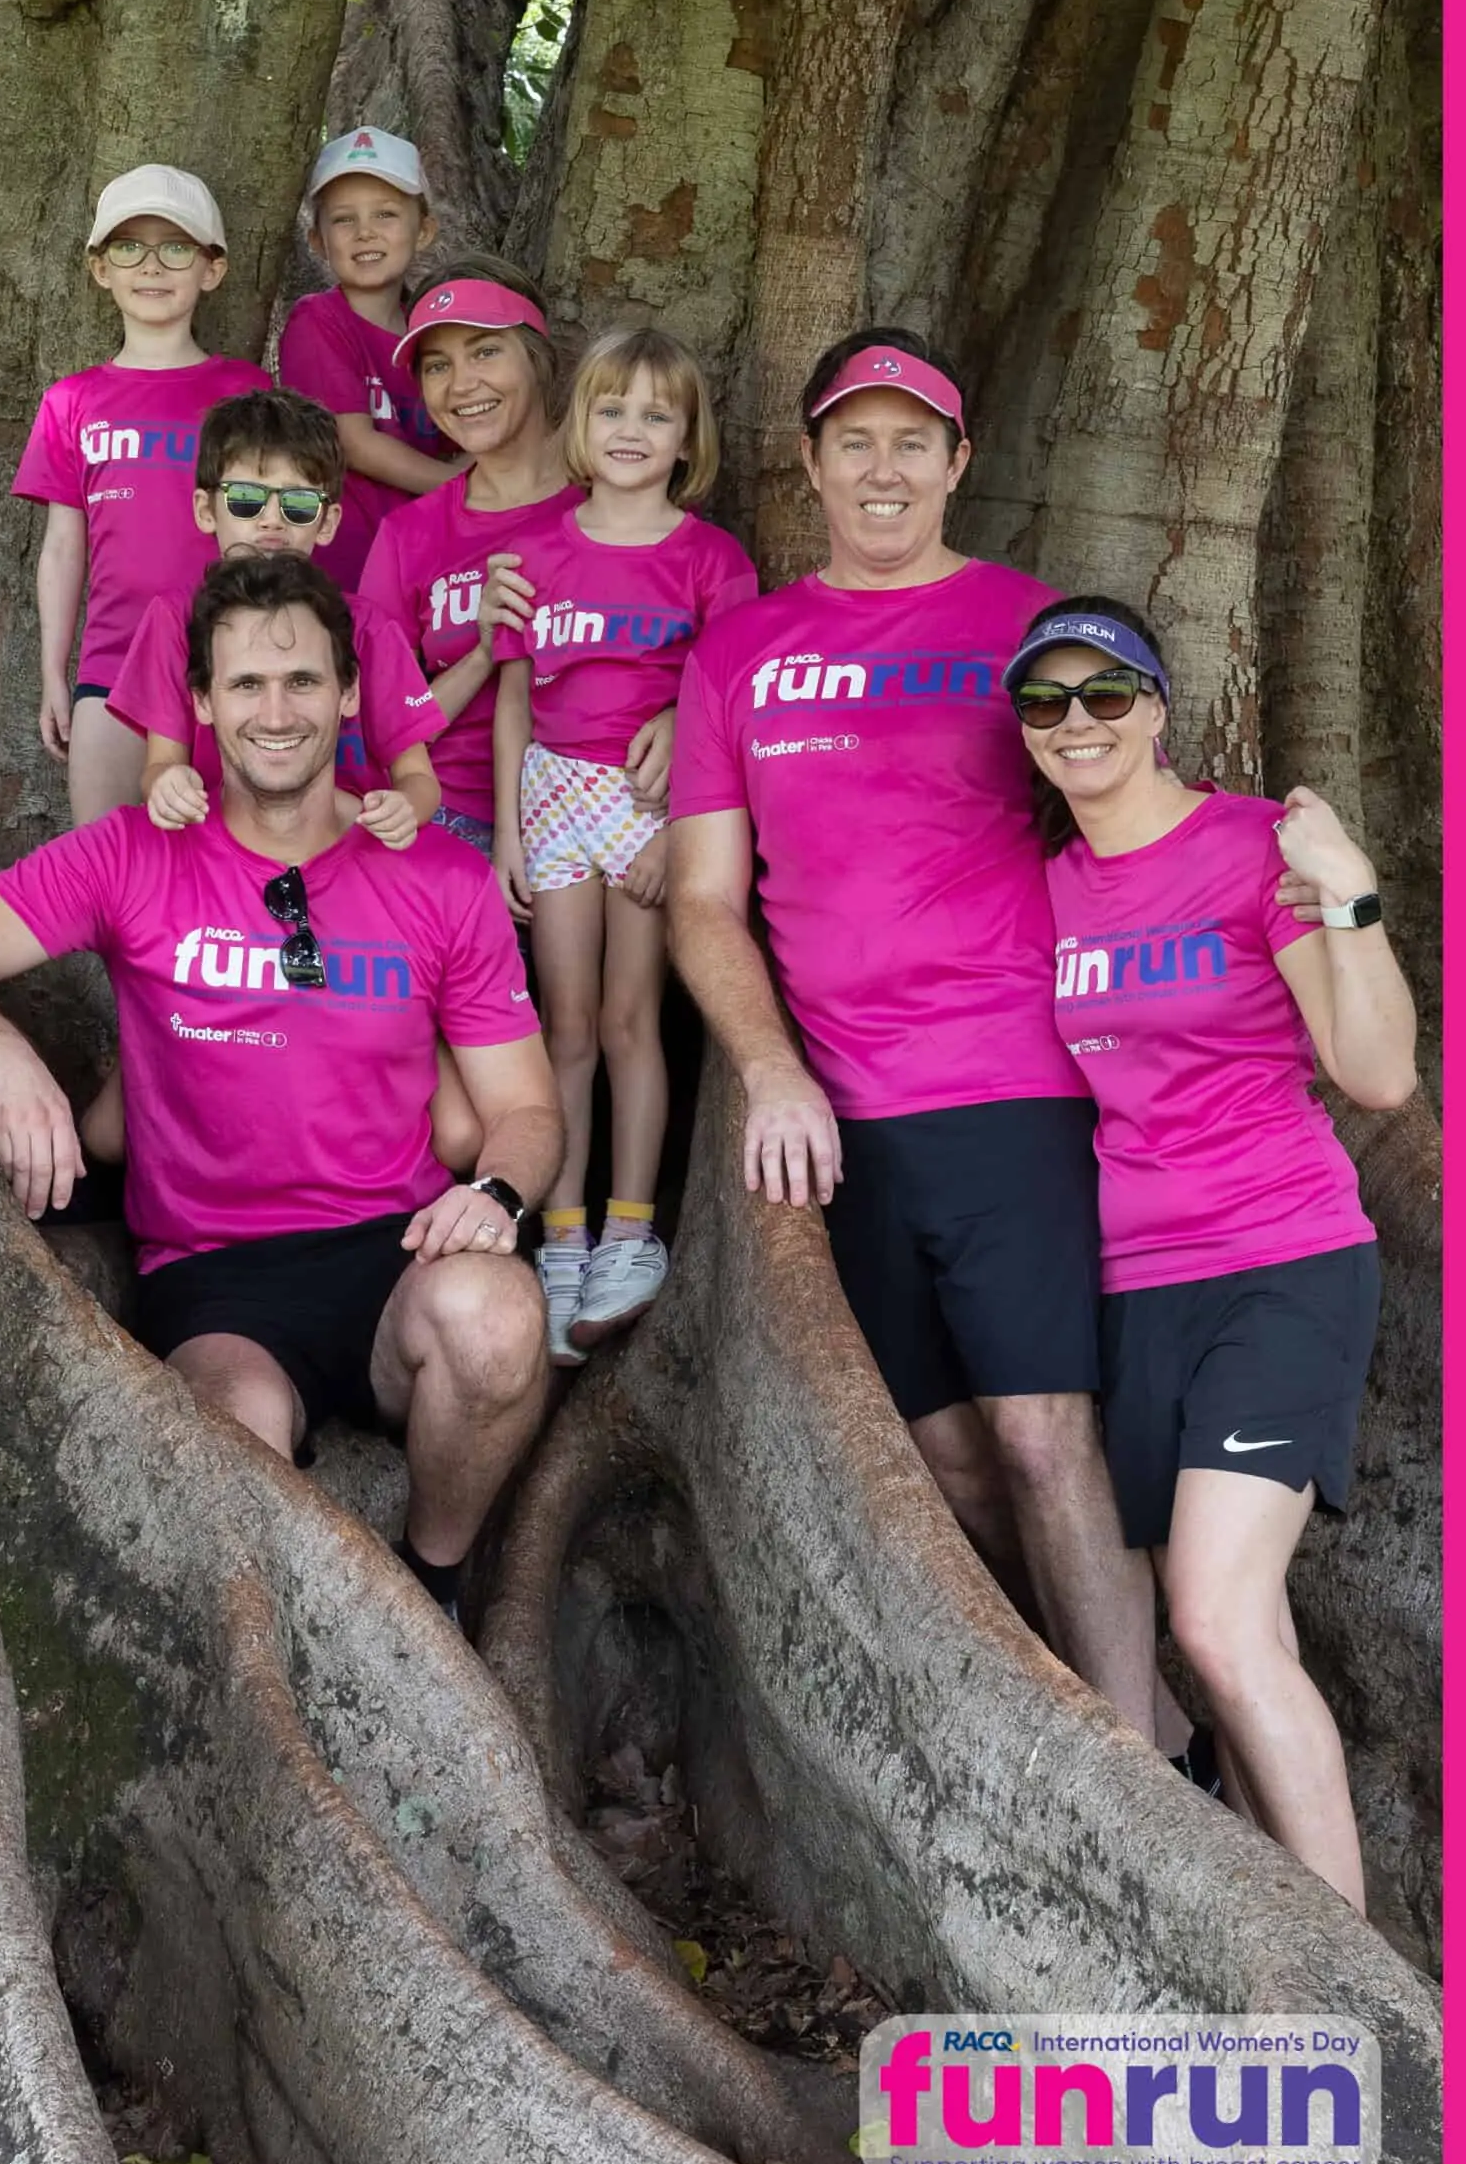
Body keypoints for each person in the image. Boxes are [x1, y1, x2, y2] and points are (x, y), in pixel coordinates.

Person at [0, 552, 559, 1622]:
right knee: (223, 1444)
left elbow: (524, 1108)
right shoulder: (134, 854)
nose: (274, 711)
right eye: (244, 684)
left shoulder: (439, 876)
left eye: (300, 682)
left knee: (501, 1318)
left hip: (398, 1249)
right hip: (217, 1273)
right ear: (198, 703)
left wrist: (499, 1195)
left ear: (347, 695)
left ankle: (436, 1588)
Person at [665, 327, 1157, 1736]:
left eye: (914, 441)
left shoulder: (1029, 629)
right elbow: (704, 901)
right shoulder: (740, 653)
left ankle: (1144, 1776)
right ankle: (1082, 1718)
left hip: (1015, 1088)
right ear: (810, 463)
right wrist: (768, 1072)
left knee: (1043, 1435)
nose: (884, 469)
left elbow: (1129, 821)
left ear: (959, 464)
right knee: (941, 1458)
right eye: (855, 440)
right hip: (842, 1120)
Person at [1011, 596, 1415, 1907]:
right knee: (1249, 1637)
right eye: (1047, 702)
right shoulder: (1048, 889)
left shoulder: (1254, 850)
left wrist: (1351, 899)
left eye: (1107, 695)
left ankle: (1348, 1995)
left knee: (1216, 1620)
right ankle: (1284, 1929)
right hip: (1140, 1292)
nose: (1080, 725)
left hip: (1281, 1263)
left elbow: (1377, 1071)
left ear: (1160, 707)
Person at [485, 327, 757, 1361]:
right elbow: (514, 695)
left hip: (650, 805)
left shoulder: (710, 559)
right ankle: (561, 1239)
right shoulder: (537, 554)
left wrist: (684, 809)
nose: (633, 429)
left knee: (634, 1018)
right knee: (566, 1027)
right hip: (552, 794)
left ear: (687, 438)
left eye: (657, 413)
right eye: (612, 410)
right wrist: (510, 824)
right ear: (580, 429)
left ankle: (630, 1234)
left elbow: (726, 700)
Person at [16, 164, 271, 824]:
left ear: (211, 269)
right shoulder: (71, 401)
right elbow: (62, 548)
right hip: (112, 669)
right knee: (105, 866)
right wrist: (54, 674)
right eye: (129, 247)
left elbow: (277, 530)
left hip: (232, 657)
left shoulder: (246, 389)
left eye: (176, 247)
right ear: (101, 268)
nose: (152, 266)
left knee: (228, 869)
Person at [109, 389, 443, 842]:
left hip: (346, 848)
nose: (272, 521)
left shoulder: (369, 627)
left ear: (326, 522)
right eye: (246, 499)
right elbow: (161, 765)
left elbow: (419, 778)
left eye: (299, 504)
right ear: (206, 510)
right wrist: (167, 786)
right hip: (217, 854)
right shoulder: (174, 619)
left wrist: (406, 807)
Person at [355, 259, 595, 863]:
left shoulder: (613, 499)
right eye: (438, 365)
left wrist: (672, 721)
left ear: (537, 357)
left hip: (601, 816)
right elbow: (378, 729)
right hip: (453, 819)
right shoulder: (409, 534)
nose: (462, 385)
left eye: (485, 353)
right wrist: (483, 650)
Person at [275, 127, 457, 592]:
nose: (365, 233)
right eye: (343, 220)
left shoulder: (437, 329)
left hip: (429, 561)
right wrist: (463, 487)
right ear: (317, 240)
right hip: (347, 566)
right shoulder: (318, 322)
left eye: (386, 214)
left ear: (425, 230)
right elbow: (353, 442)